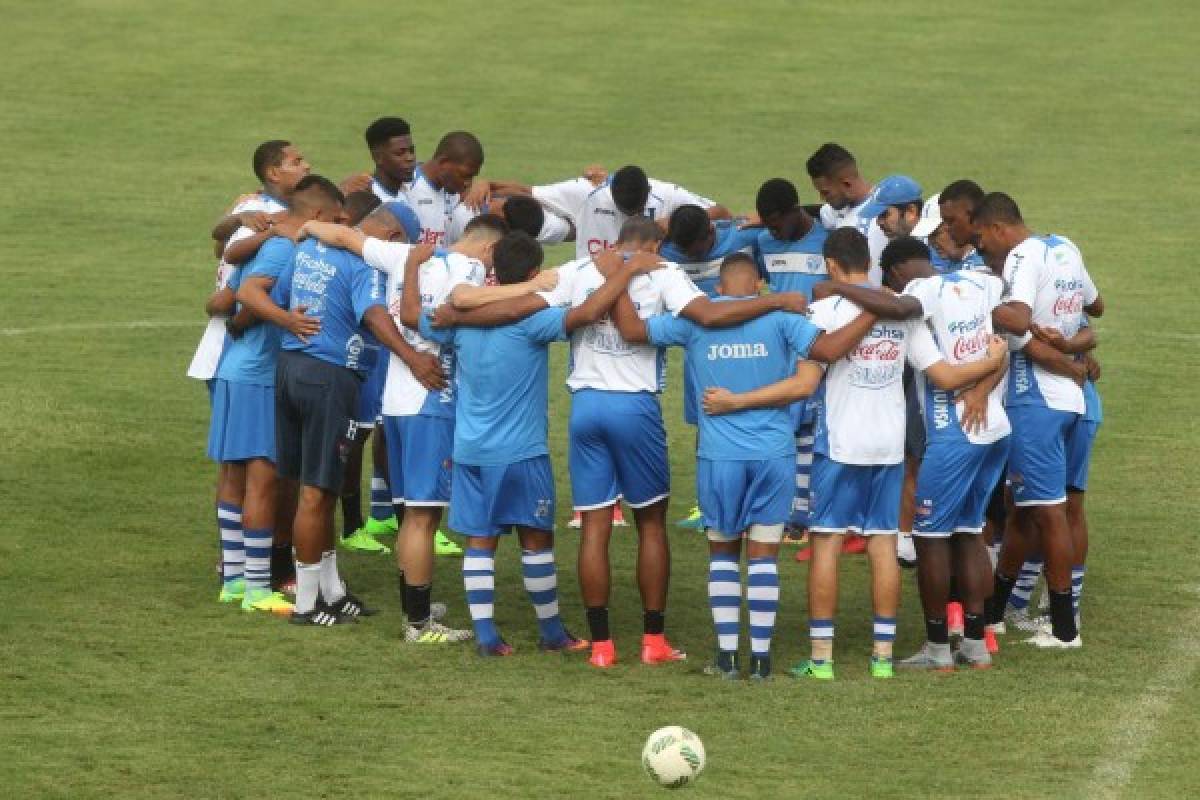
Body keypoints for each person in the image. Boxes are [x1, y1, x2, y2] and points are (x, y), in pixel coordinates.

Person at [547, 218, 810, 668]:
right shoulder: (666, 273)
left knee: (593, 527)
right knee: (651, 524)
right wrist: (779, 301)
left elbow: (547, 305)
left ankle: (603, 647)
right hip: (638, 410)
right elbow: (710, 314)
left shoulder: (579, 270)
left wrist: (612, 273)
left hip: (585, 406)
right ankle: (653, 642)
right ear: (655, 244)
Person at [621, 251, 879, 680]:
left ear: (718, 288)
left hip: (719, 457)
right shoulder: (782, 318)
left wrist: (619, 279)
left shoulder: (695, 319)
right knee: (764, 558)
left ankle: (726, 658)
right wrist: (874, 309)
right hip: (774, 454)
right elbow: (830, 349)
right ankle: (760, 659)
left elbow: (632, 330)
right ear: (760, 284)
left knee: (722, 553)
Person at [416, 232, 655, 655]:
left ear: (494, 273)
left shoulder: (458, 321)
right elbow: (587, 313)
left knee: (479, 542)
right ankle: (551, 632)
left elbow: (413, 314)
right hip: (521, 452)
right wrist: (624, 273)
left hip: (469, 449)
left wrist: (411, 268)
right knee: (536, 541)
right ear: (532, 274)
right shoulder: (534, 320)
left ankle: (487, 636)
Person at [821, 236, 1013, 670]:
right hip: (995, 428)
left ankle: (938, 648)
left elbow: (899, 312)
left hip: (954, 434)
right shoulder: (978, 283)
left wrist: (840, 289)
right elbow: (1003, 342)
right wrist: (984, 387)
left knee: (929, 540)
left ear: (897, 274)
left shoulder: (920, 294)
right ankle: (977, 644)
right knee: (969, 532)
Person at [273, 180, 429, 626]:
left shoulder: (306, 249)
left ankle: (332, 591)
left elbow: (284, 299)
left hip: (289, 368)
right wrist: (412, 355)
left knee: (312, 487)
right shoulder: (364, 263)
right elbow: (375, 316)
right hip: (329, 377)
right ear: (394, 238)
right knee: (317, 492)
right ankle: (307, 606)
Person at [974, 193, 1104, 649]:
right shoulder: (1065, 246)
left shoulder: (1022, 257)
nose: (983, 247)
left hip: (1036, 400)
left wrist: (984, 306)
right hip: (1074, 401)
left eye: (981, 238)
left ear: (995, 228)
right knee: (1028, 511)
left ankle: (1065, 629)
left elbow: (1018, 323)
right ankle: (997, 612)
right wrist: (1072, 348)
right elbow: (1097, 306)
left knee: (1048, 514)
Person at [207, 176, 340, 614]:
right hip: (257, 375)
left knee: (233, 477)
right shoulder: (284, 247)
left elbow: (227, 295)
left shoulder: (273, 242)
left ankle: (233, 580)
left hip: (235, 369)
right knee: (262, 479)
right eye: (336, 220)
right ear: (318, 216)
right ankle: (258, 589)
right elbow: (246, 293)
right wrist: (287, 321)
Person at [660, 204, 764, 528]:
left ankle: (756, 504)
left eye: (697, 250)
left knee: (752, 420)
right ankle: (706, 505)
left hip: (751, 351)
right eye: (684, 251)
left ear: (711, 233)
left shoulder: (742, 239)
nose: (690, 256)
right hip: (701, 360)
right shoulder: (668, 252)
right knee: (705, 426)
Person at [752, 178, 835, 550]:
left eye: (775, 223)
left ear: (794, 212)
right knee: (785, 433)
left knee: (814, 437)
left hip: (820, 352)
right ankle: (787, 514)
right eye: (767, 225)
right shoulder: (764, 243)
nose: (771, 231)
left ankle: (804, 517)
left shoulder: (828, 240)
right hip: (780, 354)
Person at [561, 165, 729, 259]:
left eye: (638, 210)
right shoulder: (589, 196)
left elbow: (721, 212)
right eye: (625, 211)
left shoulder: (667, 194)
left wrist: (674, 221)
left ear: (648, 192)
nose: (633, 217)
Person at [805, 142, 888, 279]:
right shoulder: (836, 210)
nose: (822, 198)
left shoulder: (887, 213)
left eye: (826, 193)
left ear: (846, 184)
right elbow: (813, 212)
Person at [402, 131, 485, 247]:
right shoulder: (406, 187)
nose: (468, 183)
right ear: (443, 162)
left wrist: (487, 184)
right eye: (464, 175)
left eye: (472, 177)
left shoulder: (452, 189)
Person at [862, 175, 924, 241]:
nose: (879, 222)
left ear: (911, 211)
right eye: (878, 215)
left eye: (884, 214)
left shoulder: (931, 247)